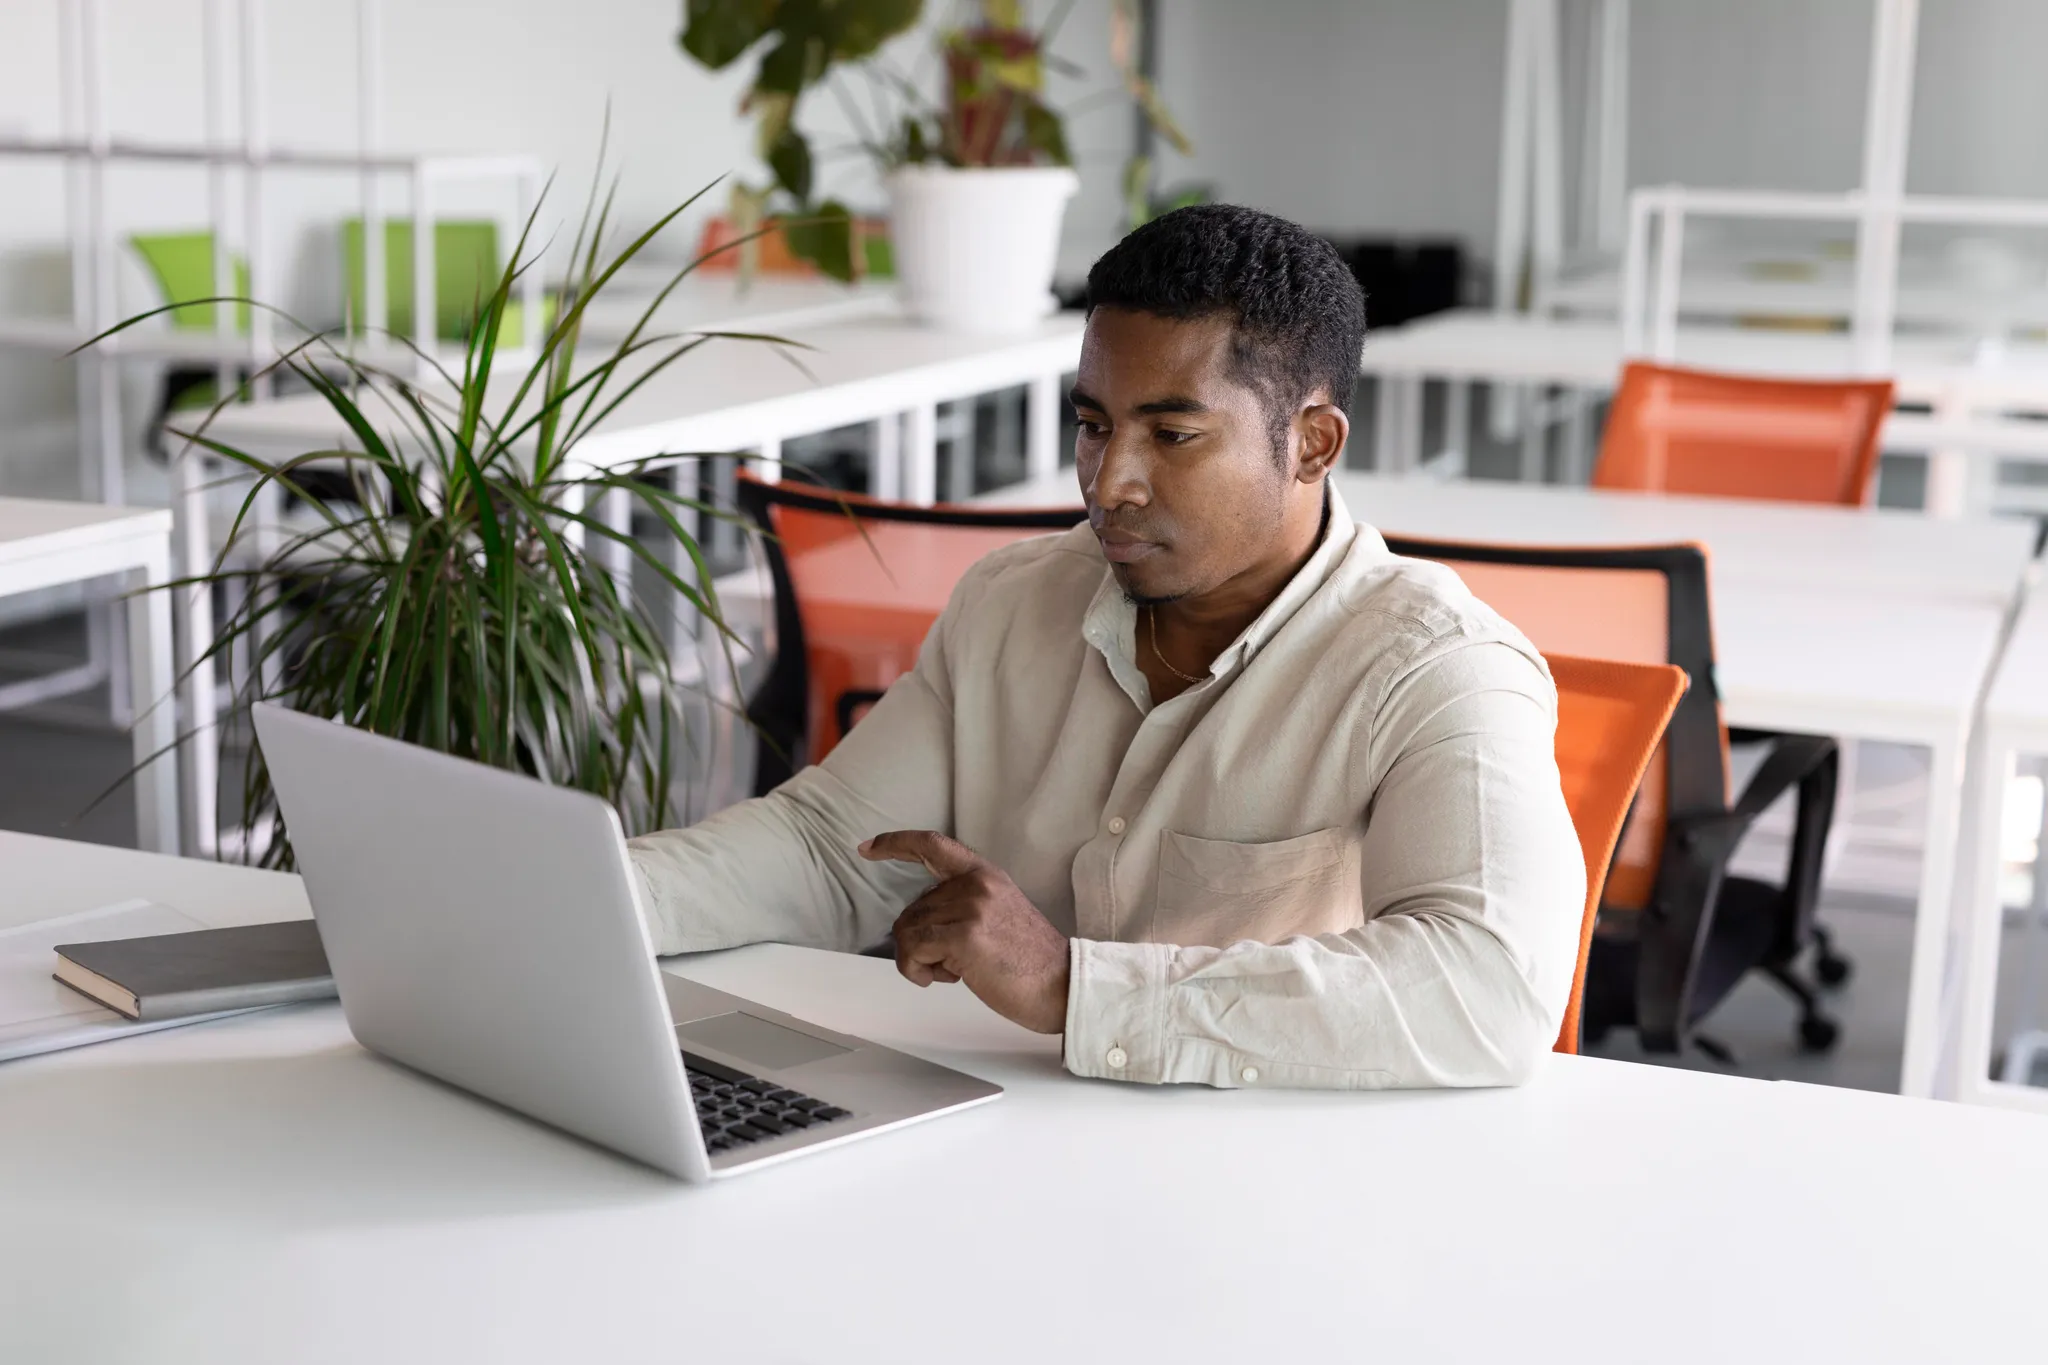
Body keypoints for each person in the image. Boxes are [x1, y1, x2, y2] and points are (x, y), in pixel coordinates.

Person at [631, 204, 1584, 1089]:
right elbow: (829, 853)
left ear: (1314, 444)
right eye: (1093, 424)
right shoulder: (1010, 602)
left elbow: (1489, 983)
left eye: (1173, 434)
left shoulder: (1438, 666)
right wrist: (599, 896)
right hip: (999, 1127)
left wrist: (1075, 988)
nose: (1109, 481)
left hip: (1265, 1186)